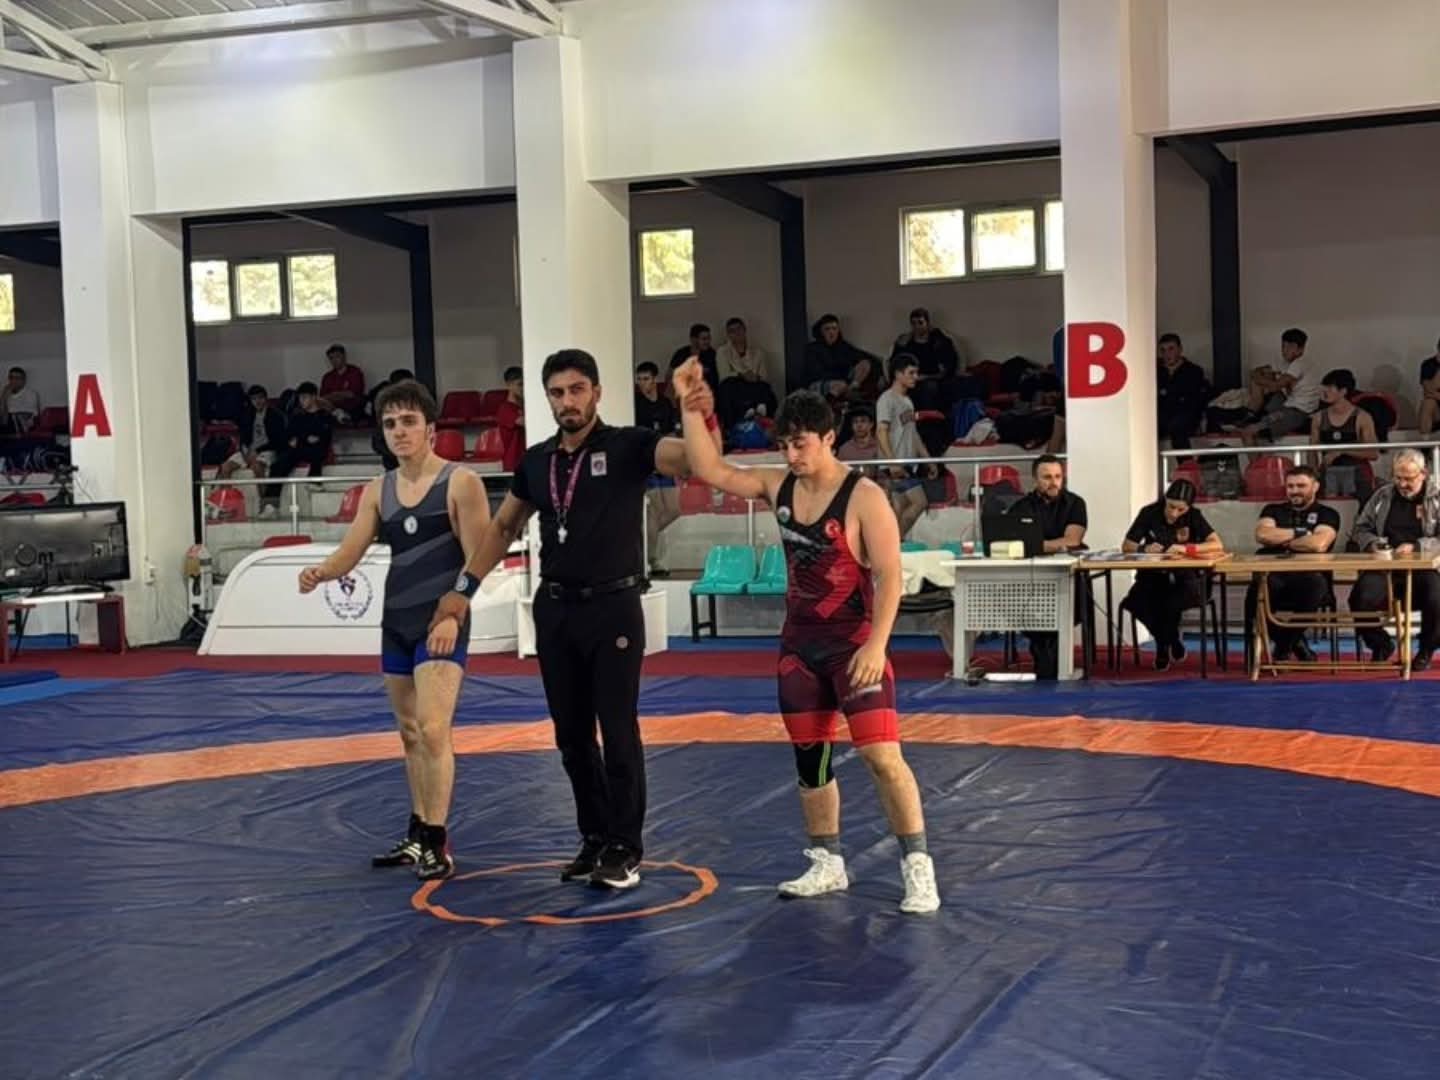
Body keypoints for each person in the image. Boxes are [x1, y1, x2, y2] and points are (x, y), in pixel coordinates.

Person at [429, 349, 720, 890]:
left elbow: (697, 464)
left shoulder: (630, 445)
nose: (568, 401)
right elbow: (502, 528)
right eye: (558, 393)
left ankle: (625, 846)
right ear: (547, 399)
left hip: (613, 607)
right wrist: (462, 591)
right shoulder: (537, 461)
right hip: (556, 608)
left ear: (597, 392)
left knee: (618, 729)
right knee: (571, 736)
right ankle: (595, 836)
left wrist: (695, 412)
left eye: (577, 390)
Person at [672, 357, 941, 915]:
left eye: (800, 445)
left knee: (882, 756)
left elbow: (890, 576)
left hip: (854, 644)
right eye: (785, 446)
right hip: (800, 647)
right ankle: (827, 861)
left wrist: (877, 645)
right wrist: (692, 408)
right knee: (810, 758)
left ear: (828, 438)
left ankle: (918, 866)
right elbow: (710, 469)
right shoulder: (779, 485)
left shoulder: (864, 497)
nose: (791, 456)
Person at [297, 380, 490, 880]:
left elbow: (478, 559)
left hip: (440, 622)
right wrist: (320, 572)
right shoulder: (377, 490)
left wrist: (454, 614)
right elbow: (350, 552)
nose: (399, 431)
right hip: (396, 622)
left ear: (431, 428)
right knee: (409, 734)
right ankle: (418, 831)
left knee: (433, 729)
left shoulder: (461, 483)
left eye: (408, 421)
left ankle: (437, 842)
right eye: (389, 424)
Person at [1349, 449, 1440, 669]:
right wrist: (1373, 543)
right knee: (1360, 598)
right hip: (1385, 566)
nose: (1402, 484)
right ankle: (1381, 644)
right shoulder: (1382, 495)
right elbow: (1360, 528)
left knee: (1437, 598)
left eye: (1408, 479)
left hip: (1424, 568)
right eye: (1398, 477)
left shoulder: (1437, 497)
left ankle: (1426, 650)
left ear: (1423, 474)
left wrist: (1418, 546)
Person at [1121, 479, 1224, 671]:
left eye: (1180, 509)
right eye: (1171, 507)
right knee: (1135, 602)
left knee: (1168, 603)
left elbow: (1217, 544)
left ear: (1188, 508)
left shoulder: (1194, 516)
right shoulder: (1149, 513)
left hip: (1186, 577)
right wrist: (1144, 549)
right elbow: (1127, 545)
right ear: (1165, 499)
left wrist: (1187, 549)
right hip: (1153, 576)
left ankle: (1162, 647)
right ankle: (1171, 640)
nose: (1174, 513)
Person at [1005, 455, 1087, 679]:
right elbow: (1012, 542)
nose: (1054, 482)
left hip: (1067, 576)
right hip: (1031, 578)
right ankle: (1043, 650)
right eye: (1047, 477)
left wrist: (1036, 545)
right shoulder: (1021, 506)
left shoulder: (1075, 503)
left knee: (1063, 607)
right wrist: (1050, 544)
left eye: (1058, 476)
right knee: (1022, 601)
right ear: (1035, 480)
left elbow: (1072, 540)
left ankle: (1051, 653)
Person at [1247, 464, 1340, 662]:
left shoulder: (1327, 514)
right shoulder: (1272, 510)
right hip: (1274, 574)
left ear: (1315, 487)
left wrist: (1282, 540)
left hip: (1308, 576)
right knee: (1257, 592)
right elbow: (1262, 535)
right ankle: (1293, 643)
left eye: (1301, 486)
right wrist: (1300, 533)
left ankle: (1284, 645)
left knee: (1317, 585)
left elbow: (1318, 544)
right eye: (1290, 486)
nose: (1294, 490)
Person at [876, 354, 928, 537]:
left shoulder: (907, 401)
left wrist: (928, 459)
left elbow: (913, 434)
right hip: (896, 463)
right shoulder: (886, 399)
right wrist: (892, 462)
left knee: (900, 508)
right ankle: (895, 544)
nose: (916, 377)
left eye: (916, 373)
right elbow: (881, 431)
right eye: (911, 373)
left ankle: (894, 545)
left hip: (906, 462)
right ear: (898, 374)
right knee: (919, 502)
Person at [1310, 368, 1377, 503]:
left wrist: (1341, 451)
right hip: (1329, 473)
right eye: (1324, 387)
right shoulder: (1318, 417)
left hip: (1356, 473)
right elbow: (1311, 450)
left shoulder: (1362, 417)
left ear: (1343, 391)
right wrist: (1313, 473)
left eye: (1330, 387)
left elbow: (1372, 453)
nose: (1325, 391)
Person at [1156, 334, 1209, 450]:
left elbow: (1194, 401)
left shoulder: (1193, 371)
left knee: (1178, 426)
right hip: (1162, 416)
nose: (1167, 354)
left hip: (1185, 415)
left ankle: (1186, 461)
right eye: (1163, 350)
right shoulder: (1156, 372)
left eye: (1171, 349)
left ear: (1180, 350)